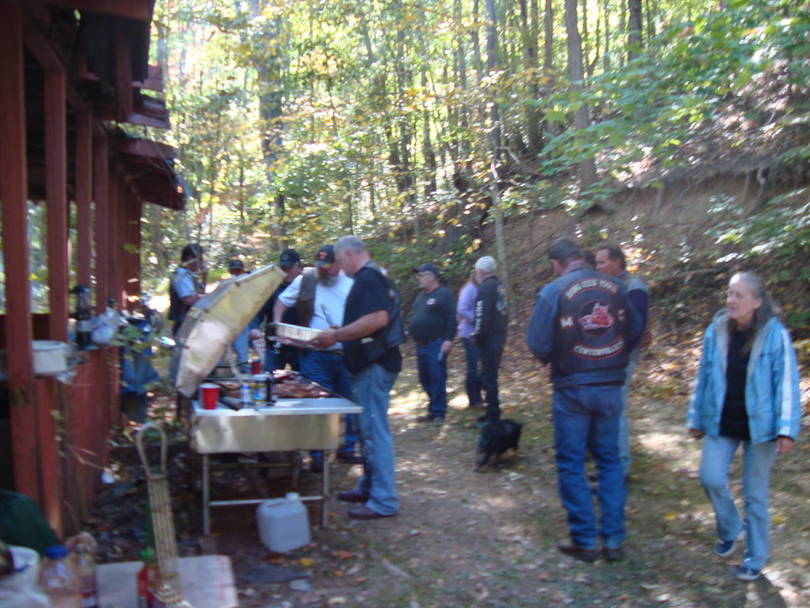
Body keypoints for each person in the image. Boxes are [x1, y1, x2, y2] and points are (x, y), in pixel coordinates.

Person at [526, 237, 641, 563]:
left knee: (572, 462)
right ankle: (614, 540)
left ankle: (586, 539)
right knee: (609, 462)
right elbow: (635, 328)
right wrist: (615, 354)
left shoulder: (553, 291)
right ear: (583, 258)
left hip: (572, 385)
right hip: (609, 384)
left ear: (557, 263)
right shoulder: (617, 286)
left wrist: (560, 355)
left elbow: (536, 343)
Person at [687, 272, 800, 582]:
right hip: (721, 421)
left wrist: (787, 429)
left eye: (738, 295)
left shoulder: (775, 335)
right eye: (729, 294)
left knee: (756, 494)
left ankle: (756, 557)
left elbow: (786, 382)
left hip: (761, 428)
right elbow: (704, 376)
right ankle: (731, 529)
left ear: (757, 302)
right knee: (710, 477)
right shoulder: (717, 330)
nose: (731, 300)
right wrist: (696, 418)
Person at [310, 235, 402, 520]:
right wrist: (344, 331)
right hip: (368, 364)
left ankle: (384, 500)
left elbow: (378, 320)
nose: (338, 266)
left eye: (338, 260)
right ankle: (368, 487)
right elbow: (370, 321)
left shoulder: (367, 278)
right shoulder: (372, 276)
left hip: (374, 365)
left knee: (375, 432)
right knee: (366, 432)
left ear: (349, 254)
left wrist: (336, 335)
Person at [274, 245, 360, 469]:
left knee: (347, 401)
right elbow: (282, 301)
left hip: (347, 353)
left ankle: (347, 448)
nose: (323, 271)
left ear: (339, 264)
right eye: (320, 266)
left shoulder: (352, 281)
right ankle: (317, 455)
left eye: (328, 267)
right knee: (316, 405)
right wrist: (278, 324)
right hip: (314, 355)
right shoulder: (307, 278)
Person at [595, 242, 649, 478]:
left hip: (621, 360)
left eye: (601, 262)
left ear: (617, 262)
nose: (597, 267)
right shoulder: (607, 287)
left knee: (615, 411)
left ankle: (620, 467)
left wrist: (614, 350)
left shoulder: (634, 287)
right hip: (605, 360)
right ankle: (608, 464)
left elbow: (635, 328)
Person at [409, 263, 456, 424]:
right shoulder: (421, 296)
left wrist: (448, 339)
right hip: (420, 344)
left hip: (436, 343)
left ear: (431, 276)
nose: (418, 278)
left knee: (437, 377)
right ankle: (433, 407)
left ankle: (439, 413)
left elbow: (451, 318)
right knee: (424, 378)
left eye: (421, 275)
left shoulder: (443, 294)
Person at [249, 248, 303, 372]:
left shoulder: (306, 285)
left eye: (289, 269)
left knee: (305, 382)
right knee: (270, 379)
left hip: (300, 344)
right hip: (275, 343)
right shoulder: (271, 287)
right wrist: (254, 327)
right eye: (283, 269)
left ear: (298, 266)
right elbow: (259, 311)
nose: (286, 272)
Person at [472, 256, 508, 423]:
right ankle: (491, 411)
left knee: (488, 377)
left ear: (480, 271)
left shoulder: (485, 289)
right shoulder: (500, 286)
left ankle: (493, 414)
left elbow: (482, 316)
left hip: (488, 339)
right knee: (490, 376)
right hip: (499, 336)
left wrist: (477, 336)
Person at [457, 270, 482, 409]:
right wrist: (477, 319)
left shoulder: (479, 289)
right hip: (468, 332)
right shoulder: (469, 289)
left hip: (477, 333)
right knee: (473, 366)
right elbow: (462, 309)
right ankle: (473, 399)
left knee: (479, 366)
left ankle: (478, 396)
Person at [168, 243, 205, 336]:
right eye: (200, 259)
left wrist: (205, 276)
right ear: (190, 258)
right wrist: (210, 296)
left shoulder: (189, 275)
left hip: (190, 322)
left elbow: (201, 293)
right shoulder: (181, 275)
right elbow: (188, 300)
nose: (202, 262)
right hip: (184, 324)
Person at [227, 259, 251, 373]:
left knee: (242, 356)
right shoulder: (226, 284)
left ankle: (246, 380)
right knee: (221, 356)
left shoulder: (248, 283)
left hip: (241, 322)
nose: (236, 273)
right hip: (227, 322)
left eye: (238, 271)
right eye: (233, 271)